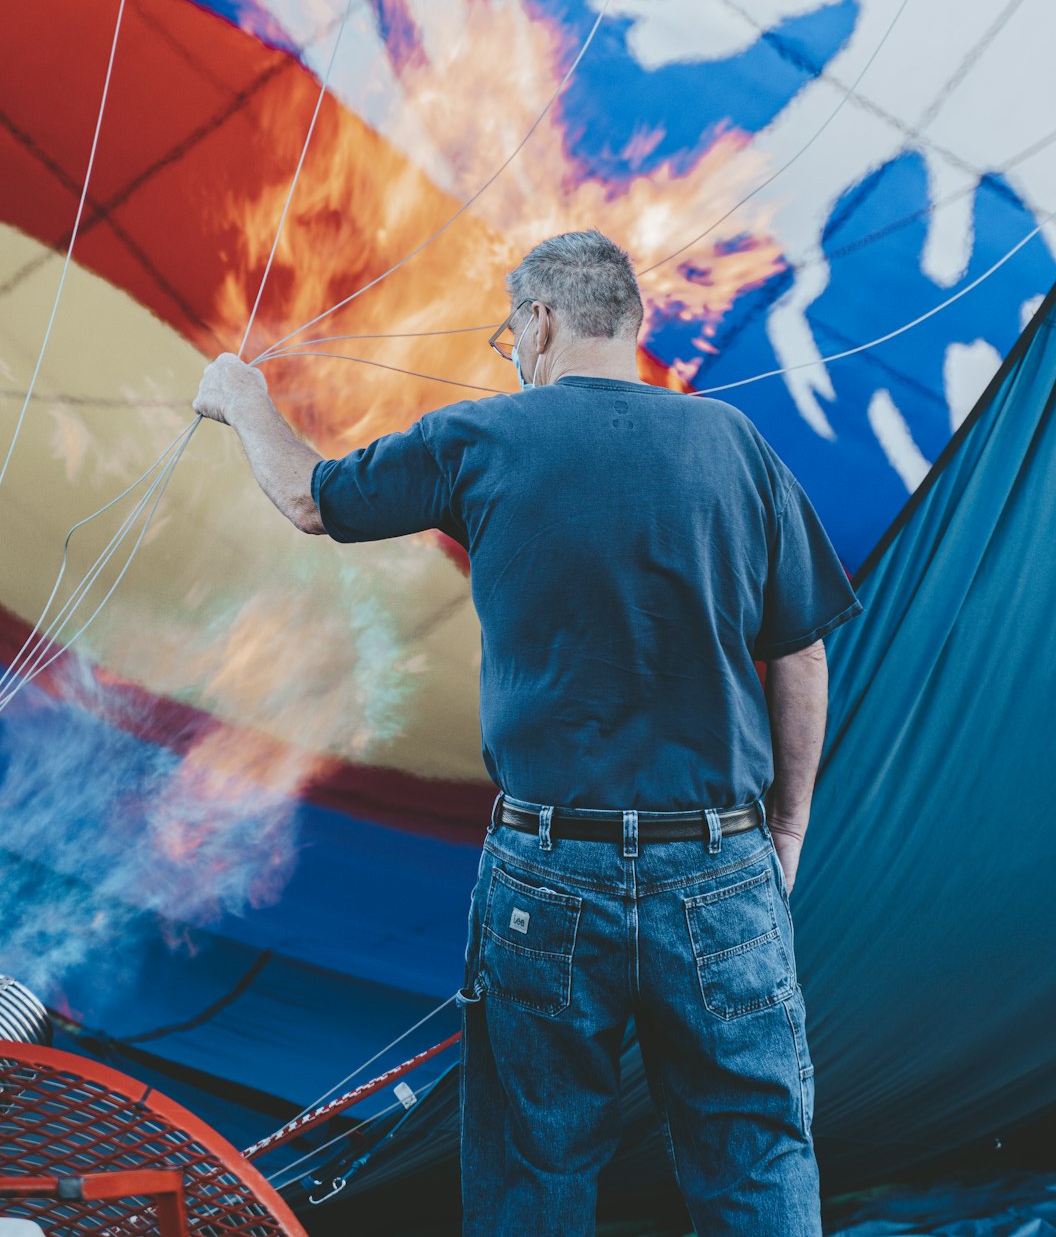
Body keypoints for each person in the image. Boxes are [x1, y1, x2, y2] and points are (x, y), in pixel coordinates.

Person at [193, 228, 862, 1237]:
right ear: (629, 326)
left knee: (533, 1174)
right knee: (755, 1161)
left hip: (549, 876)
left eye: (513, 335)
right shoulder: (734, 444)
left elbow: (308, 496)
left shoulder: (482, 439)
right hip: (722, 864)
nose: (513, 354)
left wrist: (239, 395)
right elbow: (801, 657)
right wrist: (788, 833)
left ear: (540, 322)